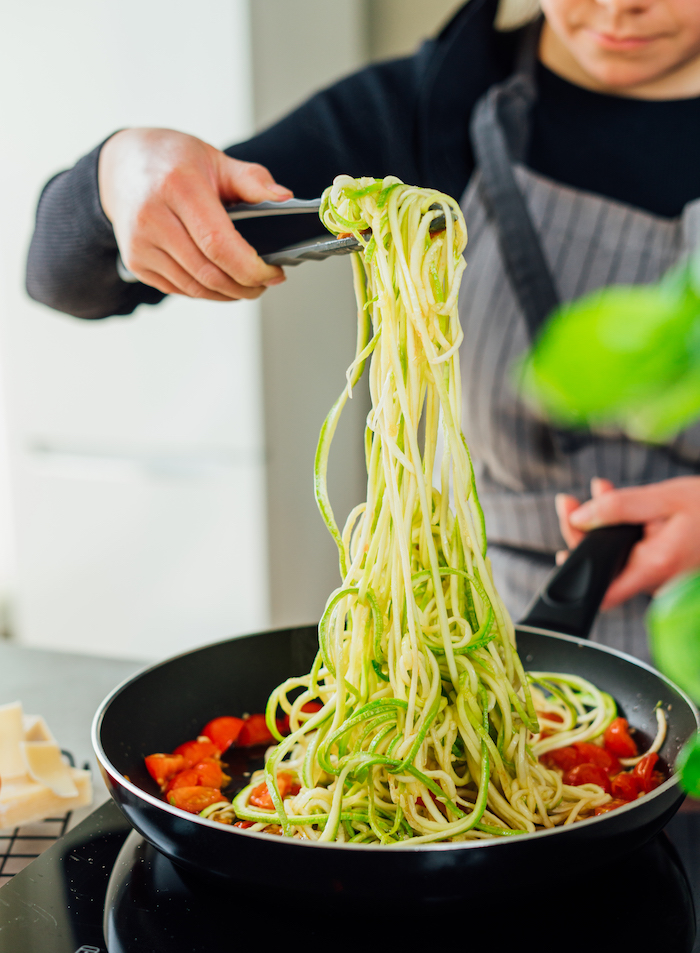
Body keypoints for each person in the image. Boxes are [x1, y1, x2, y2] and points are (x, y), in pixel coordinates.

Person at [25, 0, 700, 662]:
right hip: (499, 649)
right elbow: (68, 278)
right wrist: (119, 174)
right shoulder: (431, 108)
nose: (619, 7)